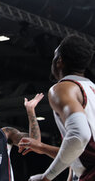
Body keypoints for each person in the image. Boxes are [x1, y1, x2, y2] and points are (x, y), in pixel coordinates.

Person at [17, 35, 95, 181]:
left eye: (54, 56)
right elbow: (78, 151)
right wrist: (41, 147)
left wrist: (47, 177)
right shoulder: (91, 88)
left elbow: (79, 136)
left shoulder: (63, 88)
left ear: (59, 61)